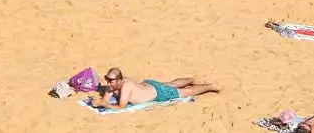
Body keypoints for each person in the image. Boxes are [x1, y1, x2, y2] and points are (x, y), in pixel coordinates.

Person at [89, 69, 220, 110]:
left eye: (110, 81)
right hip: (149, 85)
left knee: (184, 92)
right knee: (171, 83)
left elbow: (121, 106)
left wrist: (103, 104)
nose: (108, 83)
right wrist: (100, 102)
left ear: (119, 80)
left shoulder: (126, 86)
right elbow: (105, 99)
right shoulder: (112, 86)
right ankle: (191, 79)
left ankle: (209, 86)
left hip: (157, 93)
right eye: (107, 79)